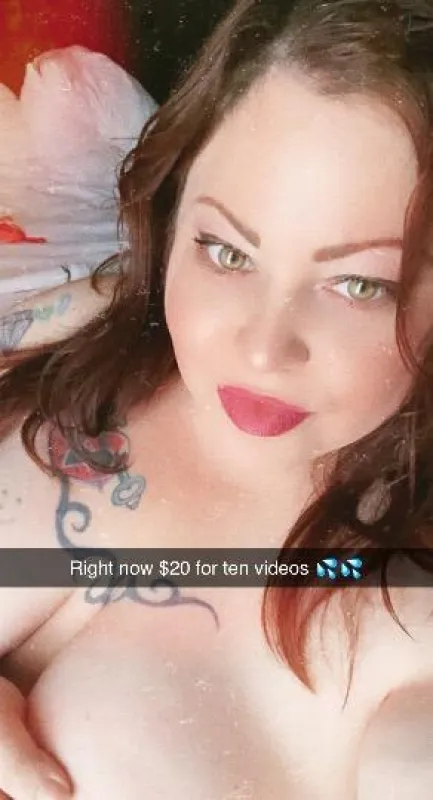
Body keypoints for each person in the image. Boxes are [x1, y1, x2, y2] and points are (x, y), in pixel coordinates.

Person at [0, 0, 433, 797]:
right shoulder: (91, 339)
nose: (262, 348)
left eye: (358, 284)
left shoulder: (400, 634)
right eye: (227, 251)